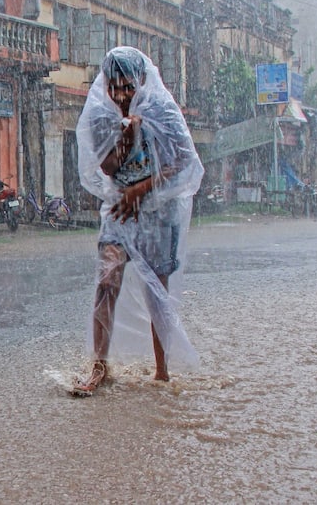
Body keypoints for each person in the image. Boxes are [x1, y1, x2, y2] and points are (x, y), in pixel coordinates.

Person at [73, 46, 204, 395]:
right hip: (119, 211)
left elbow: (183, 161)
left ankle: (162, 372)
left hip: (159, 213)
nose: (121, 95)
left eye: (127, 86)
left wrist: (143, 188)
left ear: (142, 80)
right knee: (107, 281)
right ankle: (99, 366)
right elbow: (107, 168)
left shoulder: (163, 111)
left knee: (155, 291)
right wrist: (125, 139)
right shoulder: (101, 116)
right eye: (114, 87)